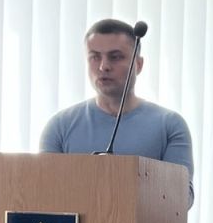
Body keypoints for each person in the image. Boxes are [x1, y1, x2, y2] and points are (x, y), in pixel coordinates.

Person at [40, 19, 194, 205]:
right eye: (95, 57)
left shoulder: (170, 125)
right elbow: (45, 195)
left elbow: (181, 199)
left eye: (115, 57)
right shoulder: (59, 127)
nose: (103, 66)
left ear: (138, 64)